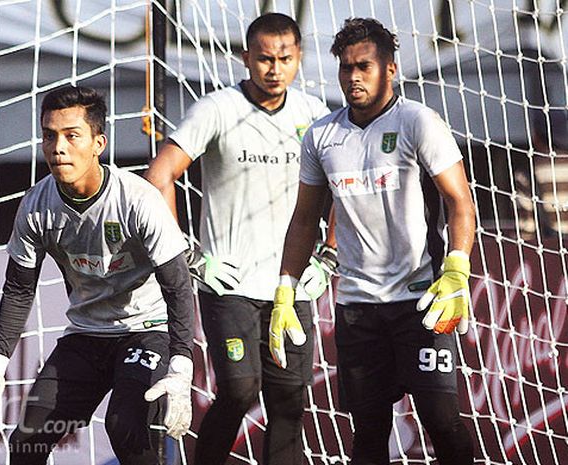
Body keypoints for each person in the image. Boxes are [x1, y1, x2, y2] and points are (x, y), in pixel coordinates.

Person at [269, 18, 476, 465]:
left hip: (423, 302)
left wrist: (456, 268)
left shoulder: (418, 121)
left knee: (442, 420)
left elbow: (461, 202)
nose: (353, 77)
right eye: (346, 68)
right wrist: (285, 287)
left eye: (364, 66)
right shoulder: (322, 135)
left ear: (391, 70)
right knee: (367, 434)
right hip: (358, 307)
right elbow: (306, 218)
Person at [0, 85, 195, 465]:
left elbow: (178, 285)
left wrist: (182, 364)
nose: (58, 147)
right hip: (86, 336)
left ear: (98, 143)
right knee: (26, 443)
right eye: (49, 136)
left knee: (124, 426)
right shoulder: (37, 207)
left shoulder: (137, 200)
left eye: (72, 136)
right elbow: (20, 291)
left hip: (146, 331)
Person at [145, 12, 333, 465]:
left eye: (284, 58)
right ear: (245, 57)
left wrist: (329, 258)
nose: (274, 69)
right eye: (264, 58)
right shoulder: (218, 109)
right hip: (228, 285)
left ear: (299, 58)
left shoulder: (315, 115)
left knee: (290, 403)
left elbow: (345, 189)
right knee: (240, 388)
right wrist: (189, 254)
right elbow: (159, 175)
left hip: (291, 286)